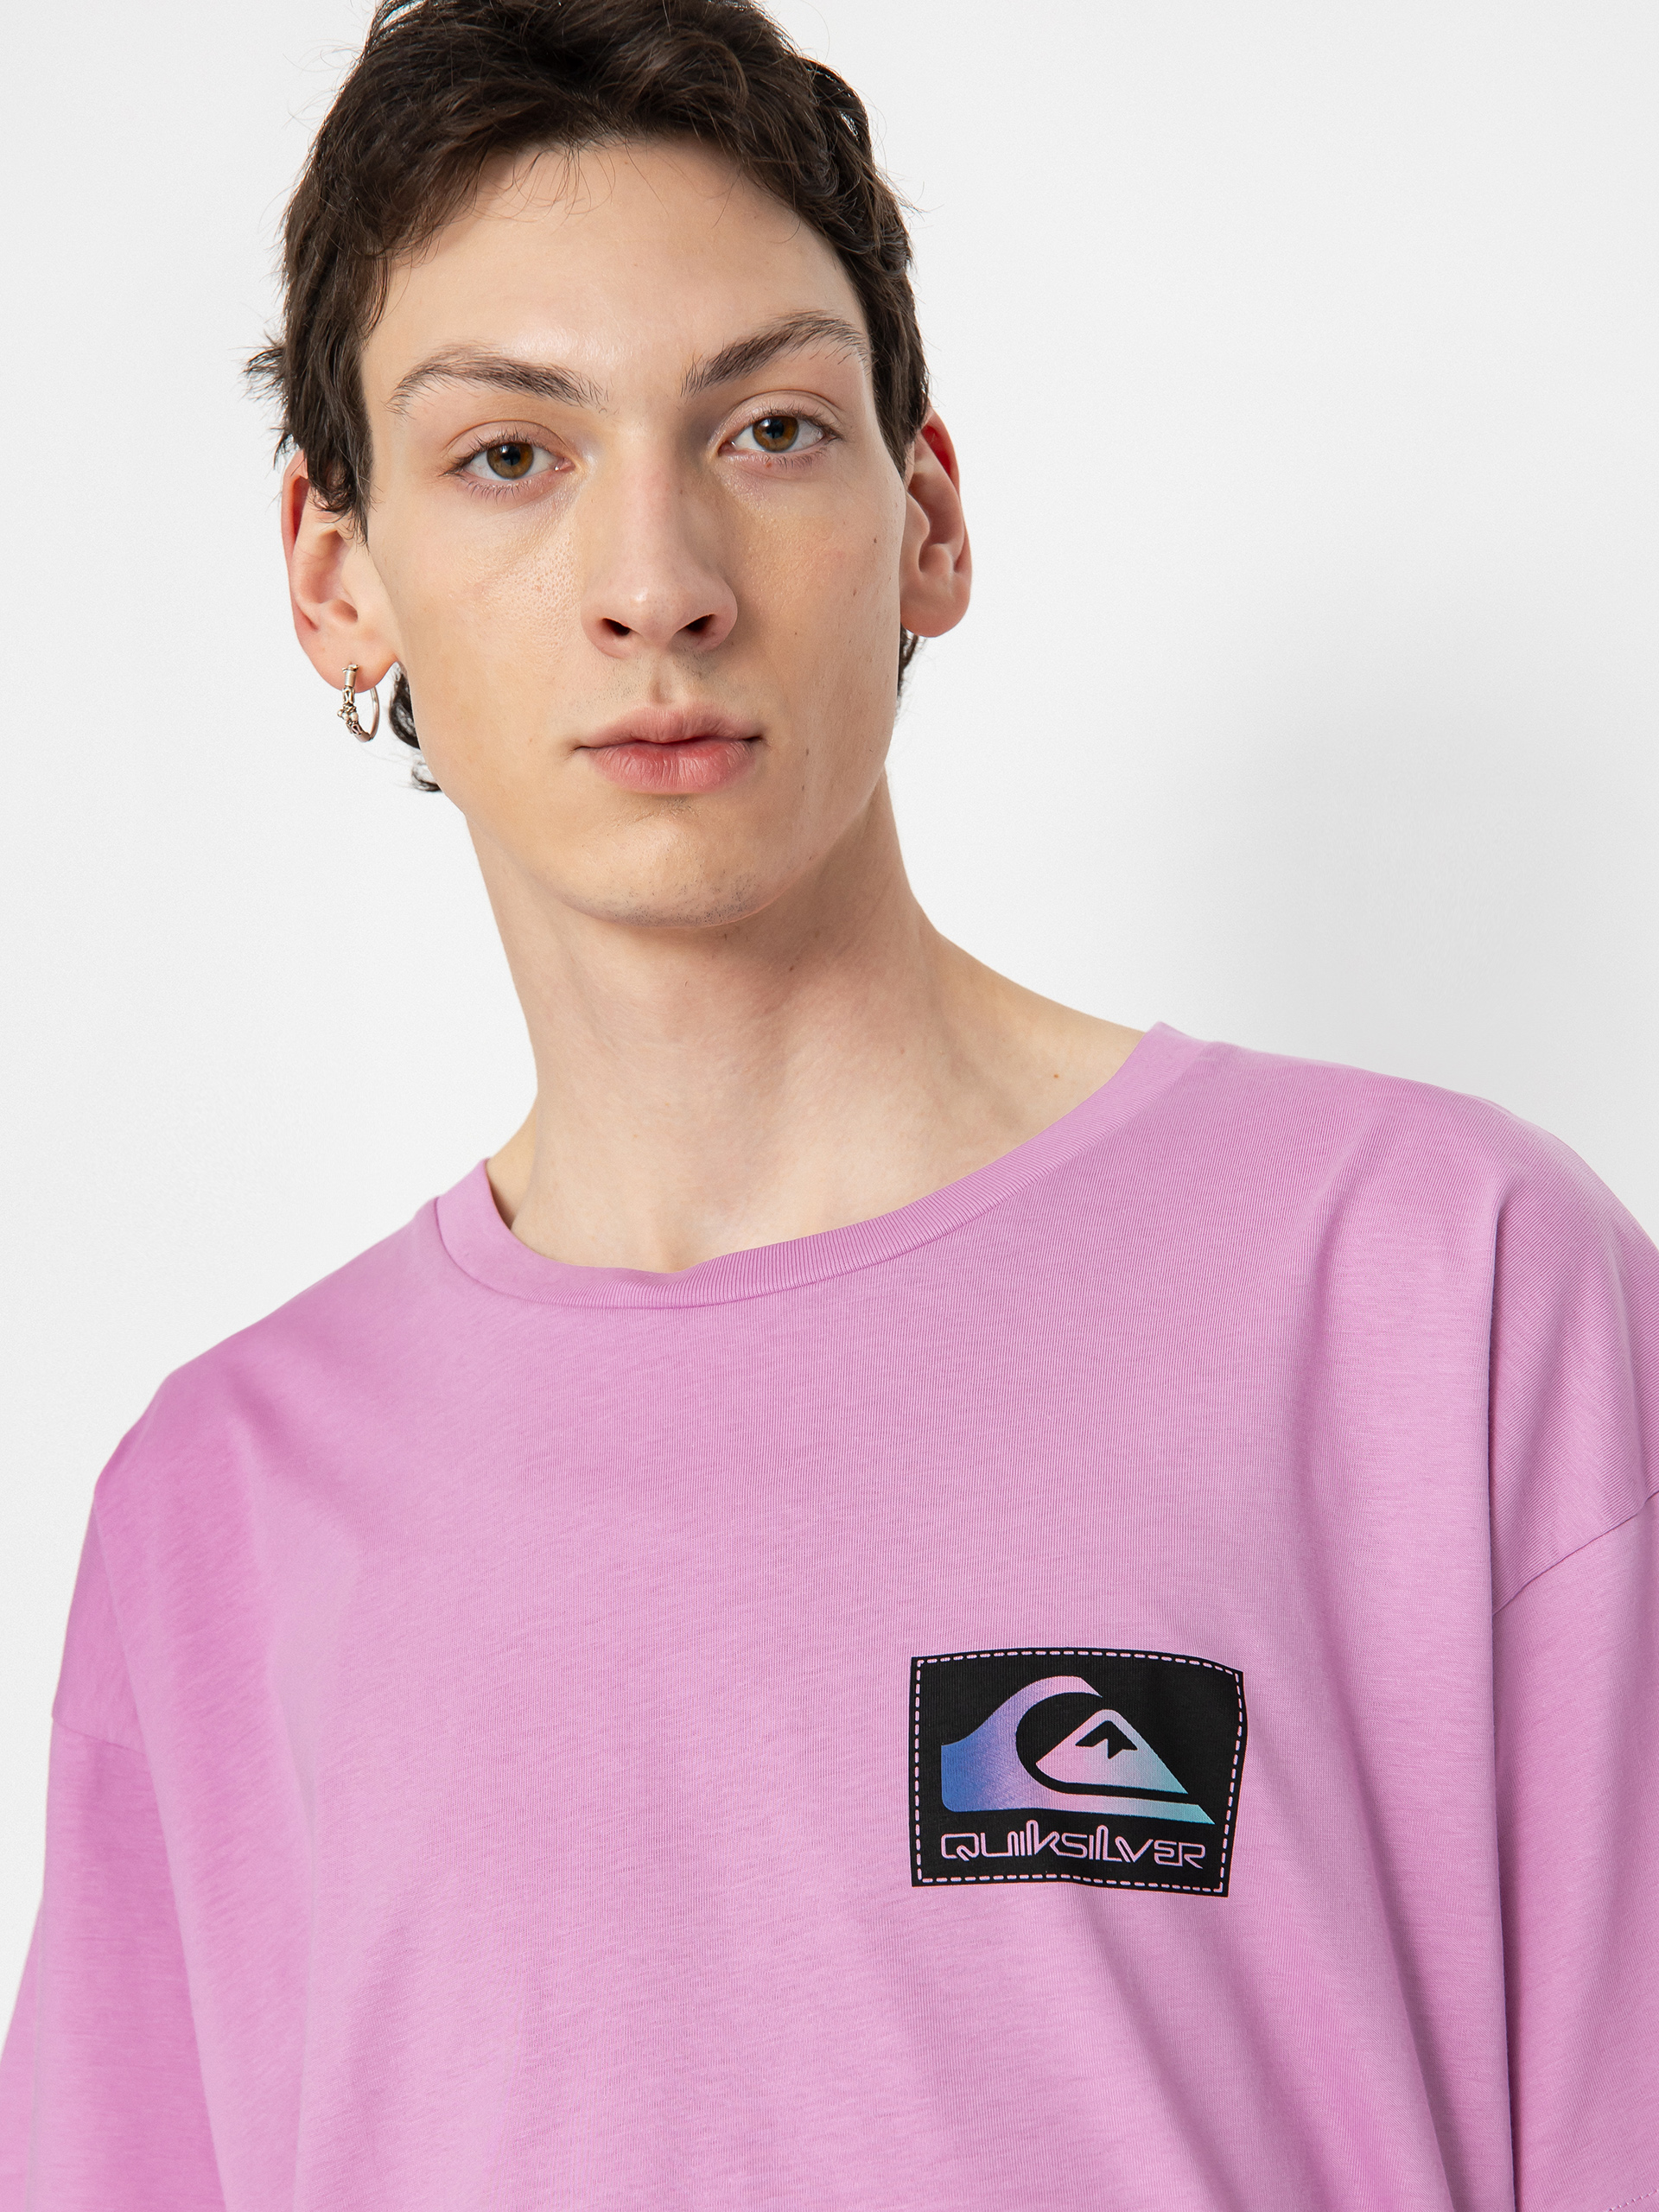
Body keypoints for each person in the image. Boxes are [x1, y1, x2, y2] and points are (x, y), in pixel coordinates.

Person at [2, 0, 1655, 2202]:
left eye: (769, 428)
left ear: (928, 516)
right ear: (336, 574)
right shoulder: (218, 1515)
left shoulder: (1448, 1294)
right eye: (510, 454)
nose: (658, 584)